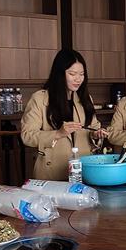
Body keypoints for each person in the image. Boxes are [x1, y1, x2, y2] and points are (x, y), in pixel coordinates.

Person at [21, 49, 106, 180]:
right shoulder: (40, 98)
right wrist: (57, 133)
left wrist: (96, 134)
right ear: (59, 74)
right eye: (72, 74)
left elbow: (94, 127)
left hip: (83, 169)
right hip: (52, 172)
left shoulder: (85, 98)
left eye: (82, 74)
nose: (78, 79)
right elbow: (27, 136)